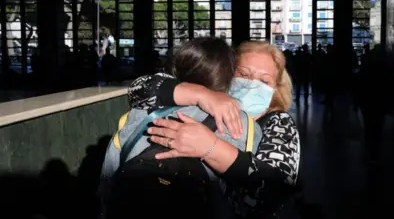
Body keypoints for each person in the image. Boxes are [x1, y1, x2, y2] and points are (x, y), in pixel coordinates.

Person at [128, 40, 301, 218]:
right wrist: (201, 94)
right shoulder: (207, 104)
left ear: (275, 89)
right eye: (243, 74)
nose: (251, 84)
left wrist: (210, 147)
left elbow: (277, 186)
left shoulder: (279, 122)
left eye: (264, 80)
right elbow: (138, 89)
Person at [101, 38, 263, 219]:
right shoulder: (242, 123)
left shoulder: (140, 111)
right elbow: (250, 195)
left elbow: (109, 176)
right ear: (229, 77)